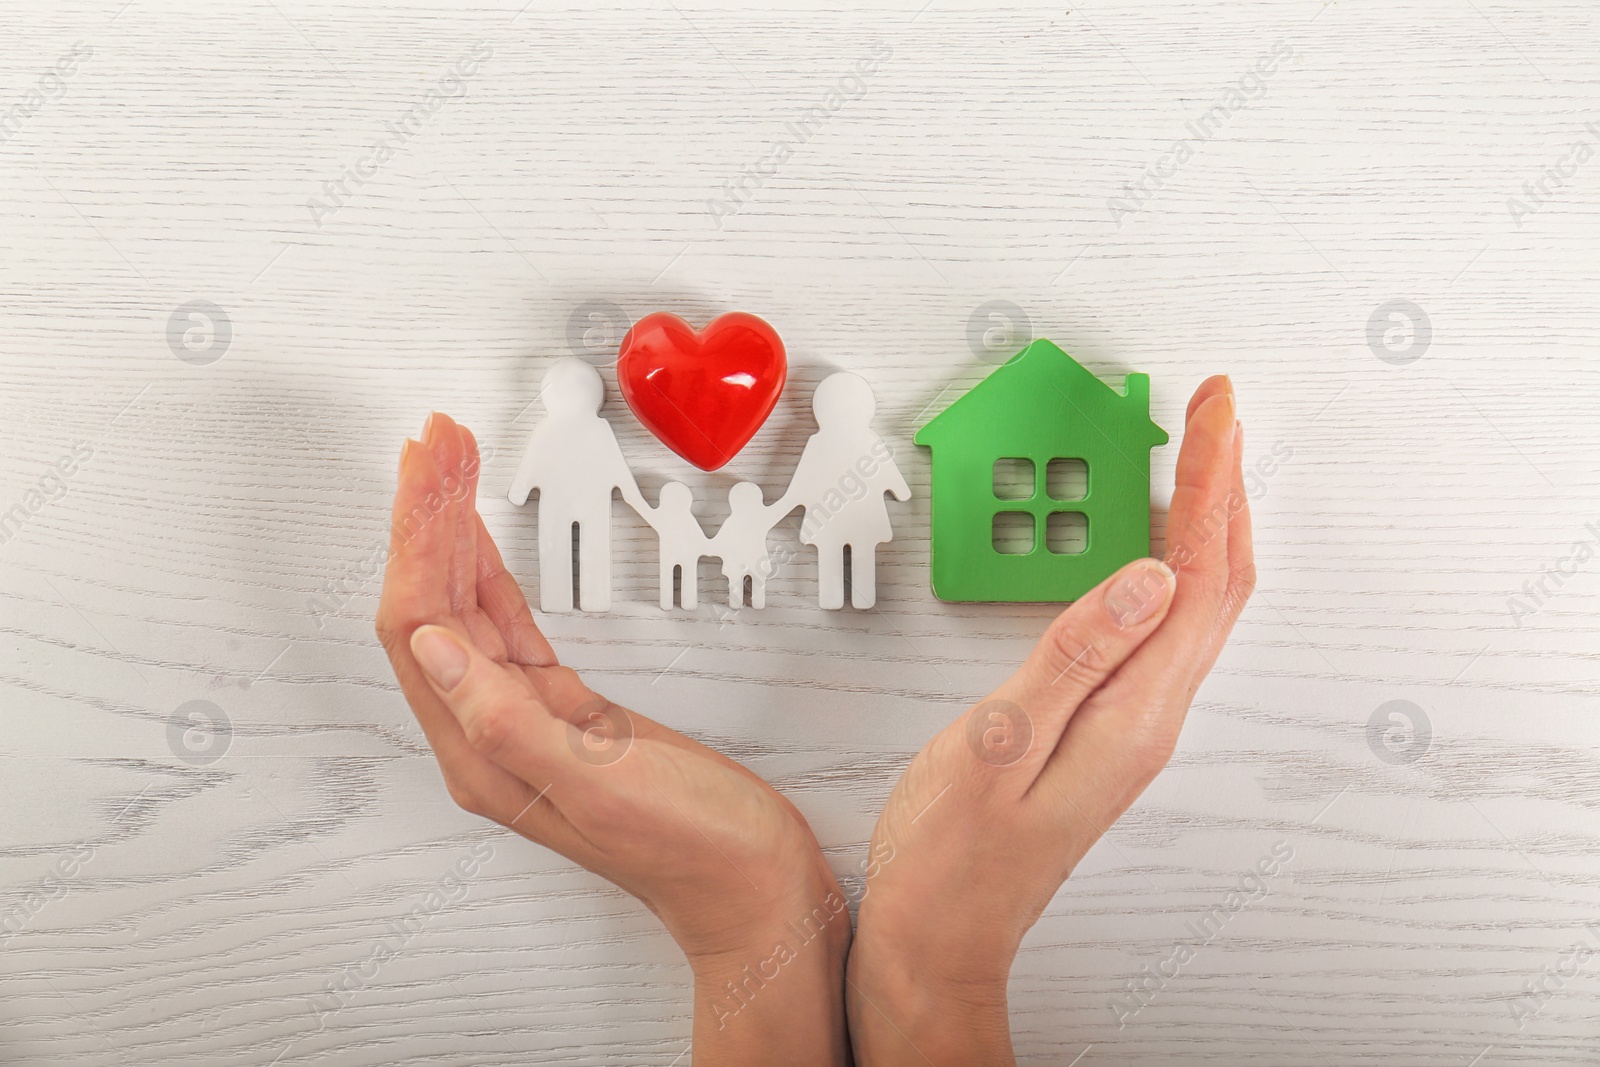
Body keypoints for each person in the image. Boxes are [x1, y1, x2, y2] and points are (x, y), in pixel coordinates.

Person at [375, 374, 1252, 1066]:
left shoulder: (835, 447)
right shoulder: (612, 436)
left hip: (845, 528)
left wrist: (751, 925)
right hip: (804, 528)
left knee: (841, 565)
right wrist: (931, 972)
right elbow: (777, 490)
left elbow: (837, 488)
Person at [507, 357, 646, 613]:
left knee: (588, 547)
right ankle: (564, 599)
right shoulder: (549, 429)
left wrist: (520, 492)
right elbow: (532, 464)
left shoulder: (592, 429)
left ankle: (591, 598)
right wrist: (633, 496)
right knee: (557, 546)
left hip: (583, 502)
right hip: (568, 502)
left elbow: (615, 466)